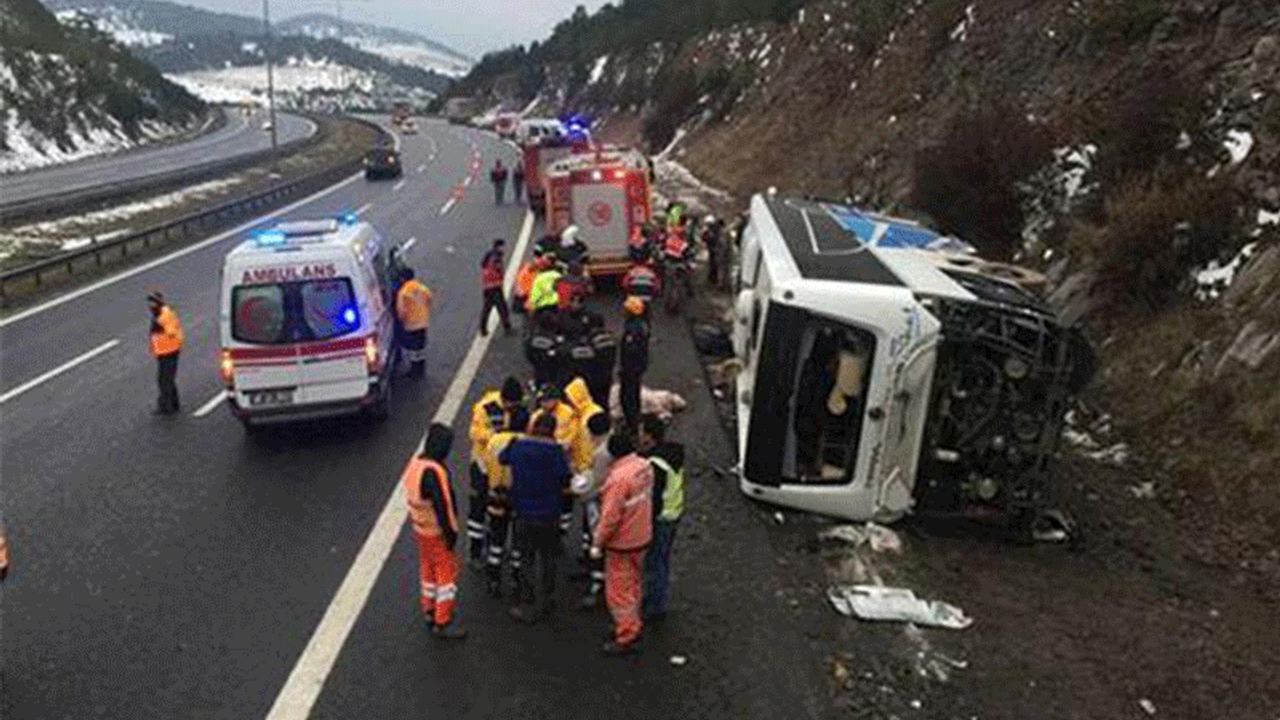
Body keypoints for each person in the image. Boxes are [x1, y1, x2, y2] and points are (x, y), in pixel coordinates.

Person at [500, 412, 572, 623]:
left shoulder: (519, 447)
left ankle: (528, 602)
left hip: (523, 512)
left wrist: (513, 441)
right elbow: (565, 477)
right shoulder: (556, 451)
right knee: (549, 557)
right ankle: (548, 598)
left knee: (527, 559)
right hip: (550, 514)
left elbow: (501, 458)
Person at [591, 432, 653, 655]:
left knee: (618, 592)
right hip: (642, 536)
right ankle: (632, 623)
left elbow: (610, 518)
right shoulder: (644, 467)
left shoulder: (618, 479)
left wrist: (597, 542)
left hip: (623, 542)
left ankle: (627, 634)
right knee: (634, 584)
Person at [402, 423, 467, 639]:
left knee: (428, 570)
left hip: (420, 530)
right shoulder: (434, 471)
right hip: (437, 532)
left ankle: (429, 609)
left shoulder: (415, 465)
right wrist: (451, 533)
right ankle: (443, 620)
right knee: (446, 575)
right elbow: (443, 505)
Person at [468, 376, 527, 568]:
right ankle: (475, 550)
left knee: (498, 512)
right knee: (478, 508)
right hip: (483, 466)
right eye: (511, 404)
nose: (513, 408)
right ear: (504, 399)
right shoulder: (485, 407)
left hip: (504, 469)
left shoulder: (519, 407)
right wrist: (498, 436)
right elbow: (475, 433)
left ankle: (495, 543)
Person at [638, 414, 685, 621]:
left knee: (655, 562)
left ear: (649, 436)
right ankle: (656, 601)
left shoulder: (654, 464)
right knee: (662, 560)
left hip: (661, 519)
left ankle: (655, 606)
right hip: (674, 513)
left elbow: (653, 498)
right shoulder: (672, 455)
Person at [481, 405, 530, 597]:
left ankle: (493, 577)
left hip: (496, 494)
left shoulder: (494, 440)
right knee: (519, 541)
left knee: (496, 537)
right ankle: (517, 579)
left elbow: (485, 467)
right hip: (520, 497)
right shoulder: (527, 443)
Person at [147, 291, 184, 415]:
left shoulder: (164, 315)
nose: (150, 305)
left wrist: (161, 326)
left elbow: (172, 332)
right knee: (168, 379)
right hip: (164, 351)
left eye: (153, 302)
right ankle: (173, 404)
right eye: (149, 302)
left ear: (159, 302)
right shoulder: (159, 314)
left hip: (169, 351)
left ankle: (166, 407)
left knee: (164, 380)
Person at [618, 296, 650, 435]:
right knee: (632, 395)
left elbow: (630, 351)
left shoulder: (633, 329)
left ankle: (632, 425)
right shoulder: (641, 324)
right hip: (637, 367)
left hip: (631, 369)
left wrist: (625, 369)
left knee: (628, 396)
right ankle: (633, 422)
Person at [396, 268, 432, 378]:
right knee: (421, 348)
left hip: (411, 325)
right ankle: (421, 369)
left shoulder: (403, 292)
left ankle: (414, 372)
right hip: (423, 322)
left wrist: (401, 322)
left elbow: (400, 311)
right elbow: (429, 299)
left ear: (403, 278)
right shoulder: (422, 288)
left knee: (413, 349)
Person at [479, 238, 512, 335]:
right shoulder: (496, 257)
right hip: (495, 285)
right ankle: (507, 328)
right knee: (502, 308)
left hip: (487, 286)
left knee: (487, 308)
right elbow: (498, 268)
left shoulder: (488, 255)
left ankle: (483, 328)